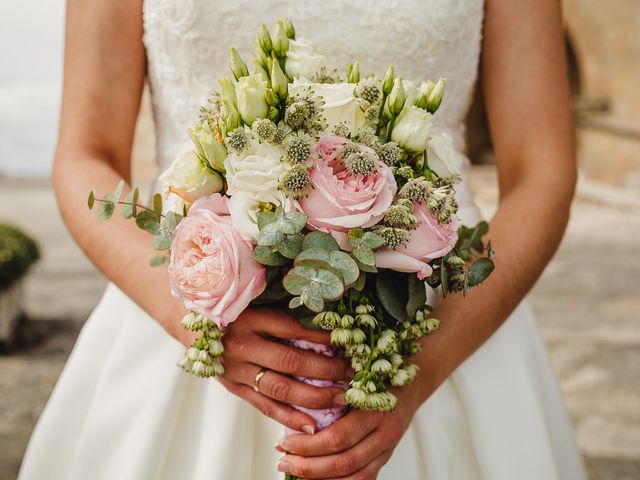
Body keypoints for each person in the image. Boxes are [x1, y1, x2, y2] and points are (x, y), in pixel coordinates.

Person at [18, 0, 587, 479]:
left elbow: (542, 170)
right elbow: (84, 157)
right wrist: (197, 317)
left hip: (441, 316)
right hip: (187, 311)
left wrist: (420, 371)